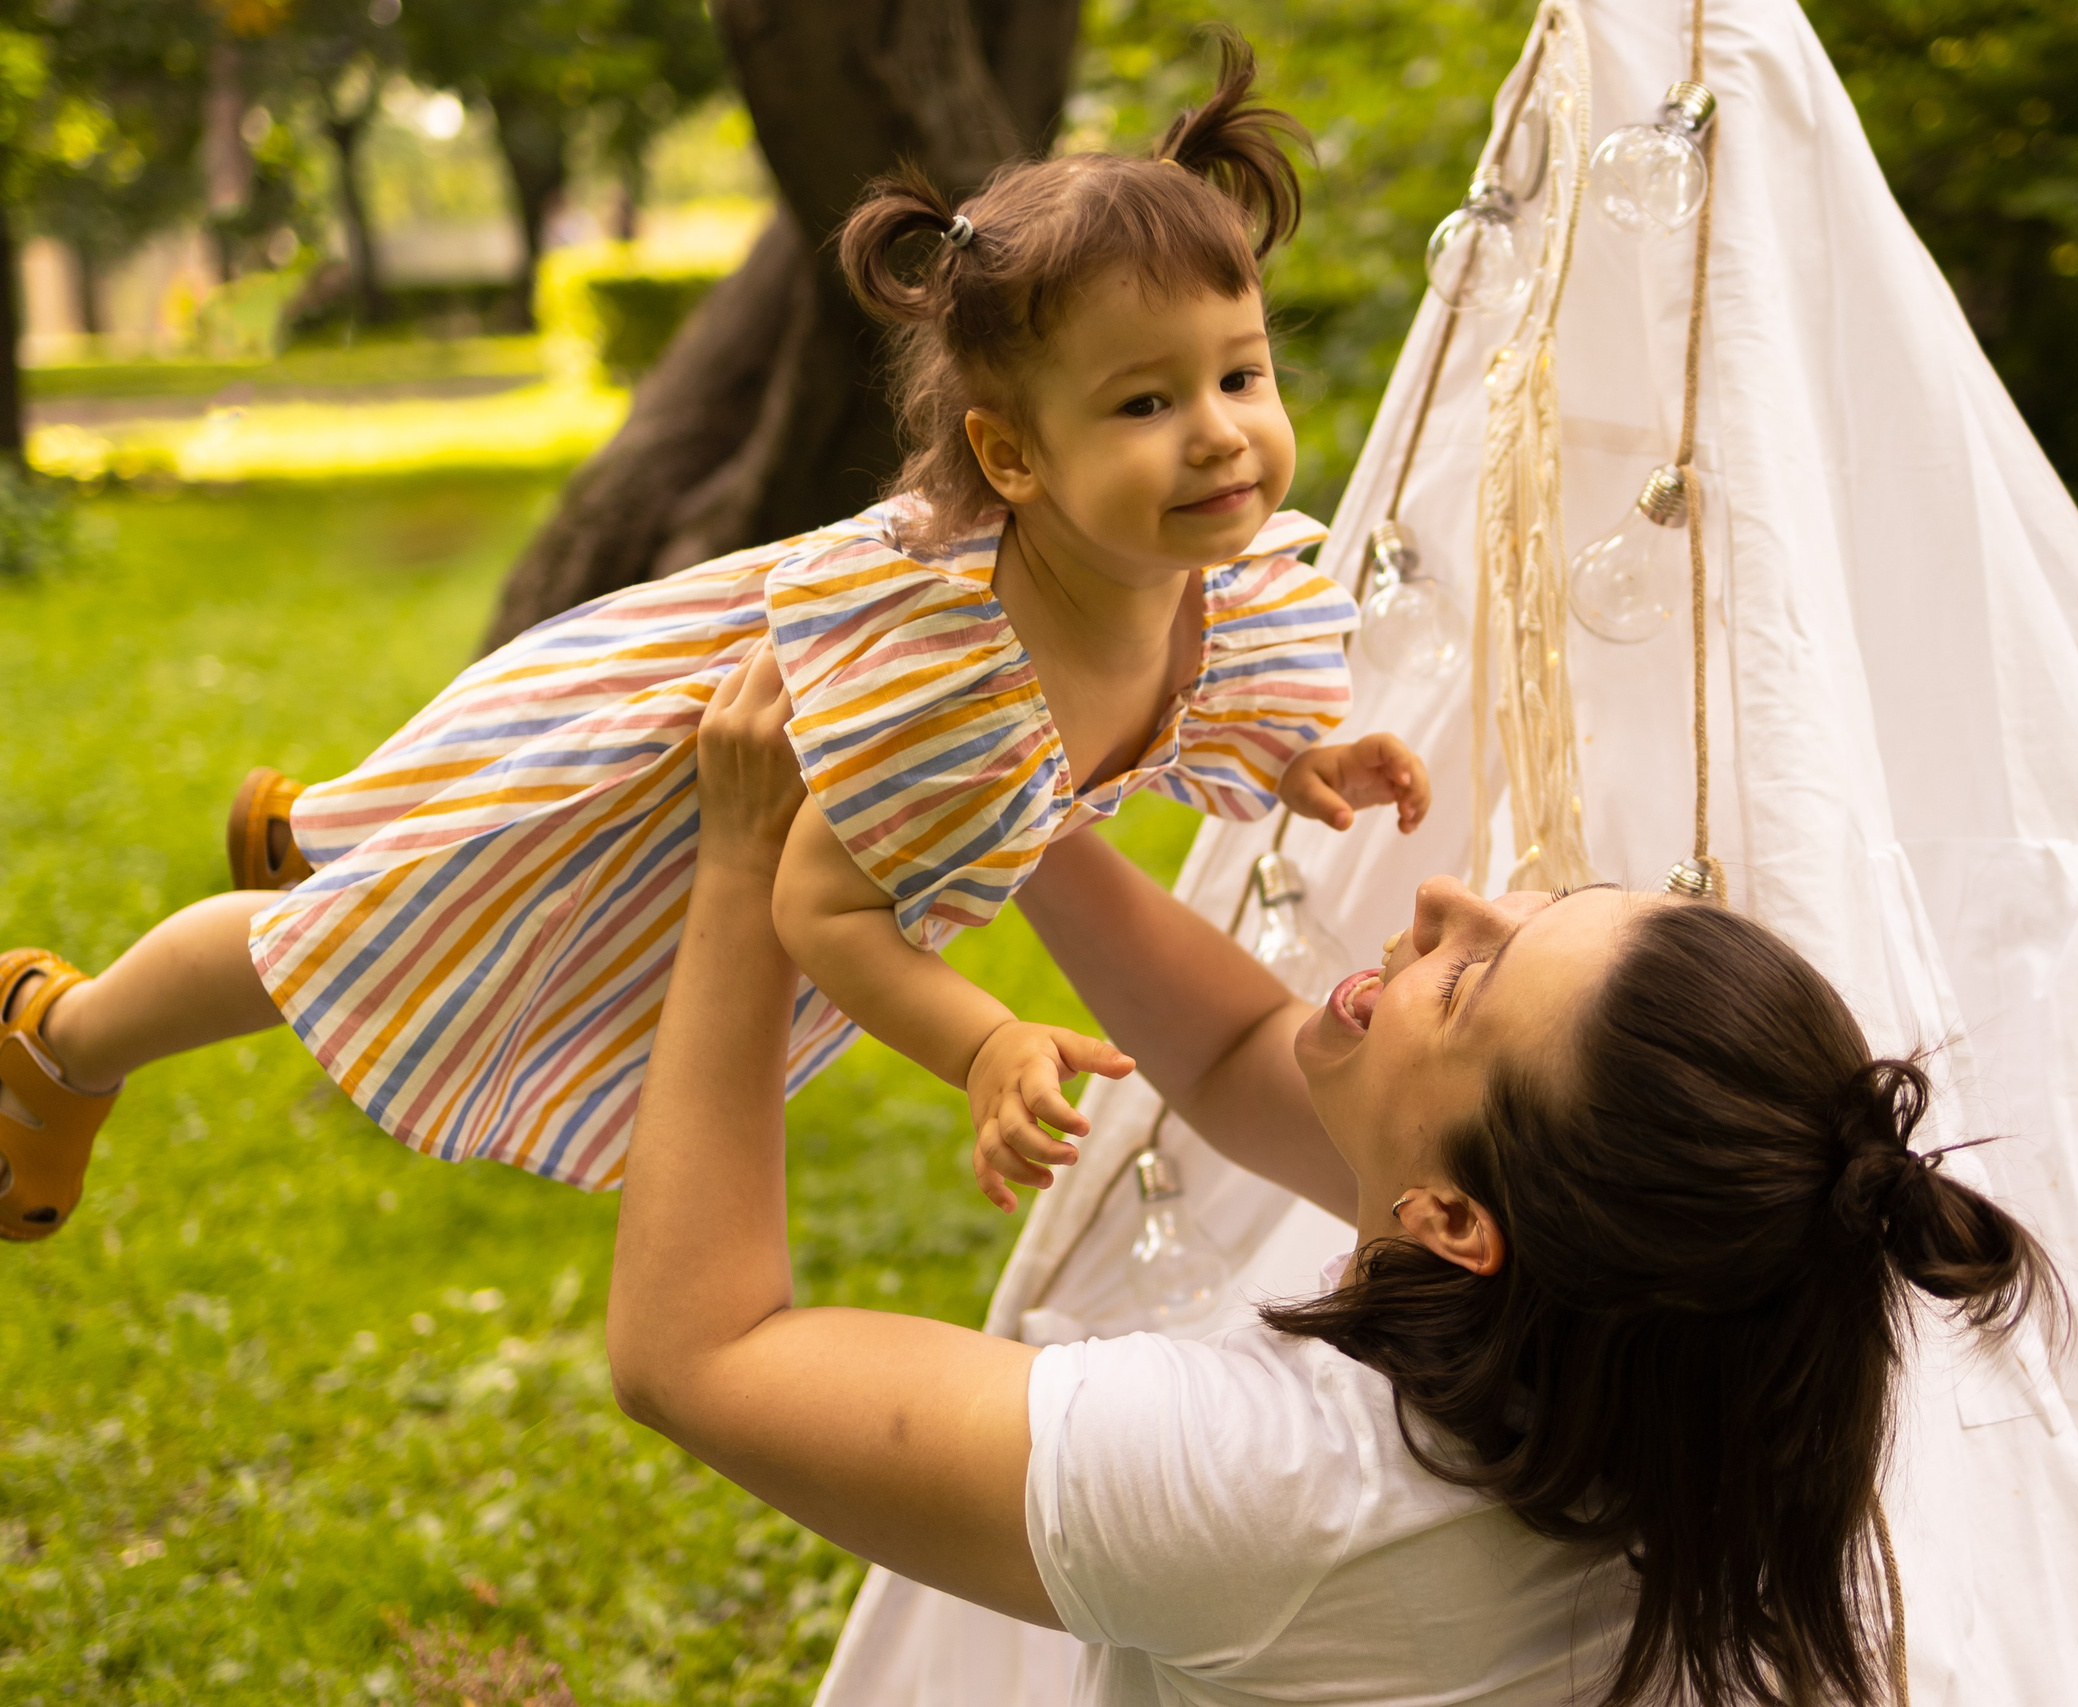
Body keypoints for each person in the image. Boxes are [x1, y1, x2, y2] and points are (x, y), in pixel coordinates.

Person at [0, 37, 1426, 1241]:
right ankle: (61, 1038)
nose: (1222, 431)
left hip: (677, 810)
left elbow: (1179, 710)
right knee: (353, 949)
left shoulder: (1213, 585)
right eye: (1145, 404)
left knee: (431, 860)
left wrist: (1302, 757)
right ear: (1013, 459)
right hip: (657, 799)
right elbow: (821, 913)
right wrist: (979, 1038)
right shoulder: (952, 677)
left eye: (1240, 372)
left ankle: (350, 819)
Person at [606, 642, 2061, 1707]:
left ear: (1454, 1224)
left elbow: (701, 1353)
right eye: (1525, 906)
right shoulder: (1691, 1371)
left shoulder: (1279, 1488)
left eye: (1476, 979)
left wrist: (742, 867)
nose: (1441, 899)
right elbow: (1241, 1049)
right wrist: (1018, 787)